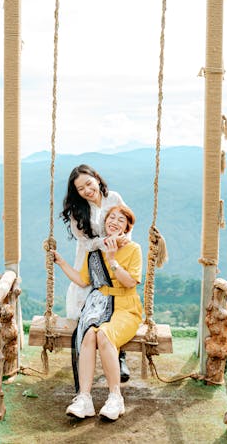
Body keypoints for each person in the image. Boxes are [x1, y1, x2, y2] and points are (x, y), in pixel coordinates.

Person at [53, 204, 142, 420]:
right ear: (105, 222)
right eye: (112, 218)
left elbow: (130, 282)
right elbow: (83, 280)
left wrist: (112, 260)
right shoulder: (94, 251)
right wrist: (61, 262)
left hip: (125, 307)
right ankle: (84, 398)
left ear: (127, 227)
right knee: (89, 334)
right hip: (100, 305)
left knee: (104, 334)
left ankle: (115, 397)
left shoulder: (133, 249)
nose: (115, 222)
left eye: (121, 220)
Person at [60, 164, 131, 382]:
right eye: (80, 189)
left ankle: (120, 357)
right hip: (90, 257)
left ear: (97, 179)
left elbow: (127, 219)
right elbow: (85, 241)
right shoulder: (78, 210)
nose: (87, 190)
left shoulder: (114, 197)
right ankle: (88, 356)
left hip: (116, 255)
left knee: (117, 302)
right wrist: (104, 242)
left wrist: (124, 240)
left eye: (88, 184)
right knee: (91, 305)